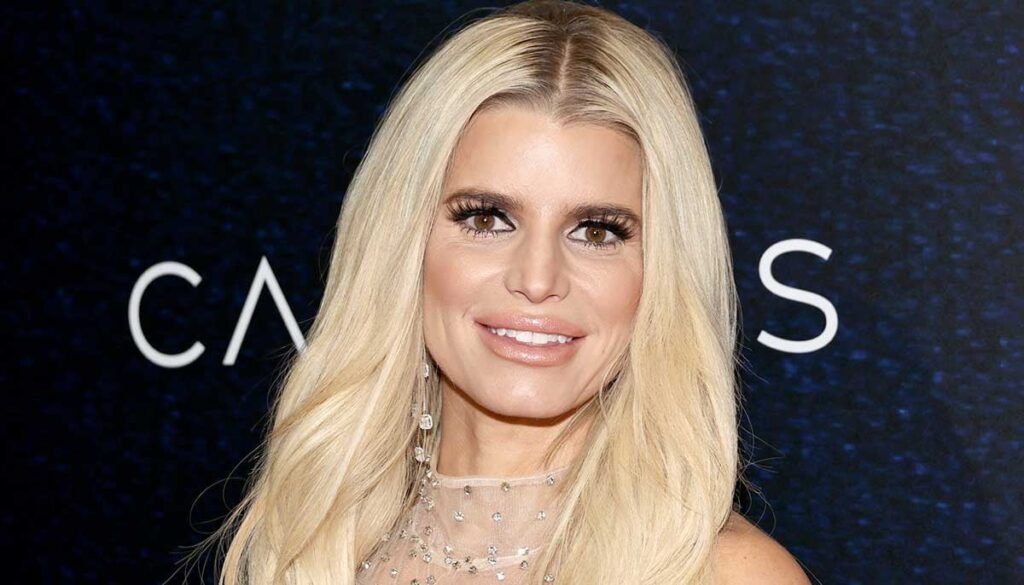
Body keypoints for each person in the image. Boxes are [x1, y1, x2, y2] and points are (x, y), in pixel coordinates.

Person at [183, 1, 811, 583]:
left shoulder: (726, 574)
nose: (537, 280)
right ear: (402, 243)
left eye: (597, 231)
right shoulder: (312, 546)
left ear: (662, 273)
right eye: (486, 219)